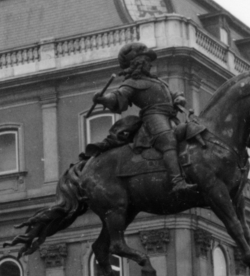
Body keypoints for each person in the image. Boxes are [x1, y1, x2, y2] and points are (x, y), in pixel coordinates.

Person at [84, 42, 198, 198]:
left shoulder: (158, 81)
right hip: (153, 118)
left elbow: (173, 94)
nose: (150, 65)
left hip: (170, 117)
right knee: (168, 140)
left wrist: (179, 98)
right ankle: (177, 181)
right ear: (138, 63)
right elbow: (117, 97)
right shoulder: (131, 83)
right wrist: (103, 99)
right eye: (147, 61)